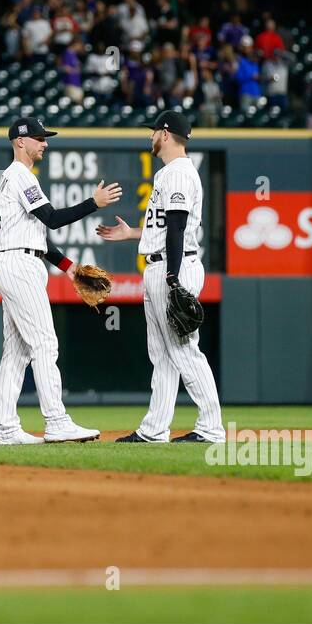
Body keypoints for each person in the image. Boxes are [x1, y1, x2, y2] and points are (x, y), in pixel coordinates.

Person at [97, 111, 225, 443]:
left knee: (183, 348)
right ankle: (155, 429)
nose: (150, 136)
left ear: (165, 134)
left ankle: (211, 427)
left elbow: (179, 227)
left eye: (153, 131)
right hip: (161, 265)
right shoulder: (168, 173)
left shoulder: (180, 173)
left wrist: (172, 276)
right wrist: (132, 234)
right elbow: (165, 226)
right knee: (162, 354)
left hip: (174, 266)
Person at [0, 117, 119, 444]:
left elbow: (40, 237)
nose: (44, 143)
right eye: (38, 138)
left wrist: (70, 268)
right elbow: (53, 219)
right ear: (20, 142)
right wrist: (94, 203)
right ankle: (56, 421)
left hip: (16, 259)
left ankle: (5, 426)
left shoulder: (13, 178)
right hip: (20, 265)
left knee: (16, 351)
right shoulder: (20, 176)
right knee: (45, 343)